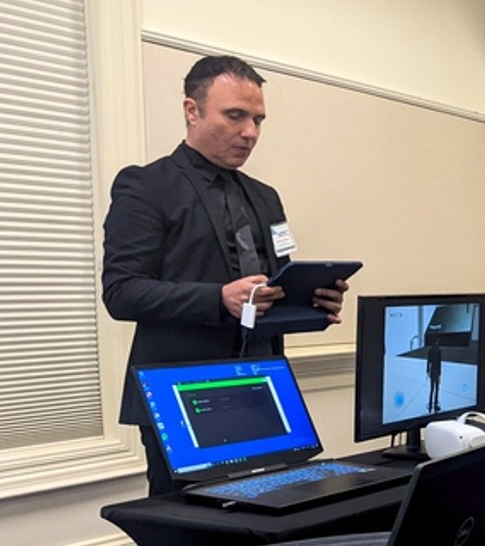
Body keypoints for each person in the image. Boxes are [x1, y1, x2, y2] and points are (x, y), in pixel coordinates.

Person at [102, 55, 348, 497]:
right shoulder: (146, 186)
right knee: (187, 529)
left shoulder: (266, 198)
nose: (250, 132)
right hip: (180, 395)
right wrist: (219, 298)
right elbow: (122, 292)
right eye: (235, 116)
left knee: (271, 517)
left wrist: (311, 304)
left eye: (258, 119)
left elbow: (270, 289)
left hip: (263, 388)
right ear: (191, 110)